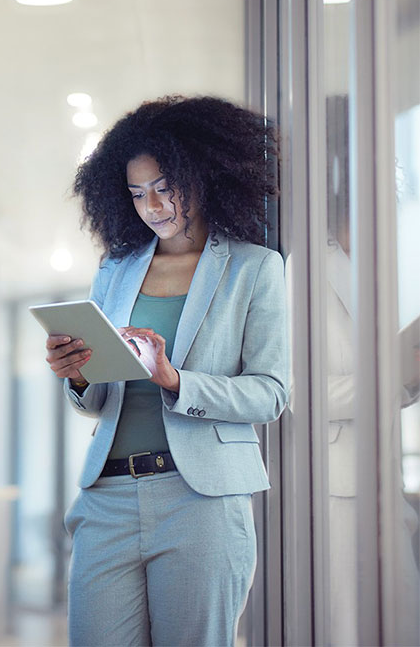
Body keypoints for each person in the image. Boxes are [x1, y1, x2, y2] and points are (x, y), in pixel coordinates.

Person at [46, 96, 289, 646]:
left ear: (201, 176)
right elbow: (96, 396)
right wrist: (78, 375)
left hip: (198, 501)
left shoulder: (254, 267)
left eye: (163, 186)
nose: (151, 204)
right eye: (136, 193)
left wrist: (174, 380)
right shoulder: (115, 270)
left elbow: (271, 394)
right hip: (106, 495)